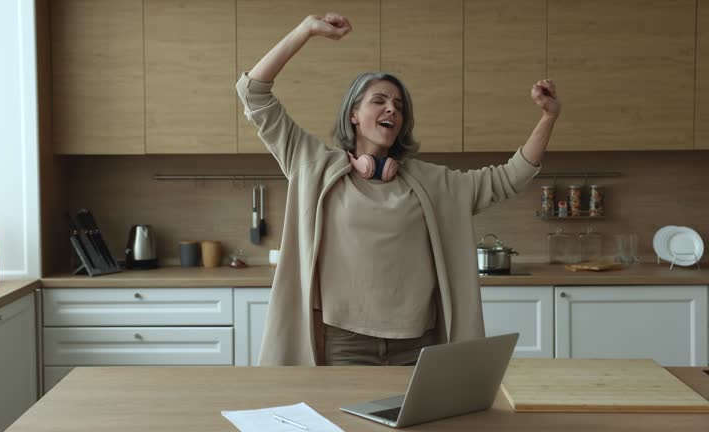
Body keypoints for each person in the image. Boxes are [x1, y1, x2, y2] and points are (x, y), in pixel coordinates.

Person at [236, 13, 560, 366]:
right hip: (343, 343)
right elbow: (253, 93)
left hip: (416, 345)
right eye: (379, 101)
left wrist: (548, 118)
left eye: (399, 106)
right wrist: (305, 30)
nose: (392, 108)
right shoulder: (313, 164)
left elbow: (509, 178)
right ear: (354, 114)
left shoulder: (433, 183)